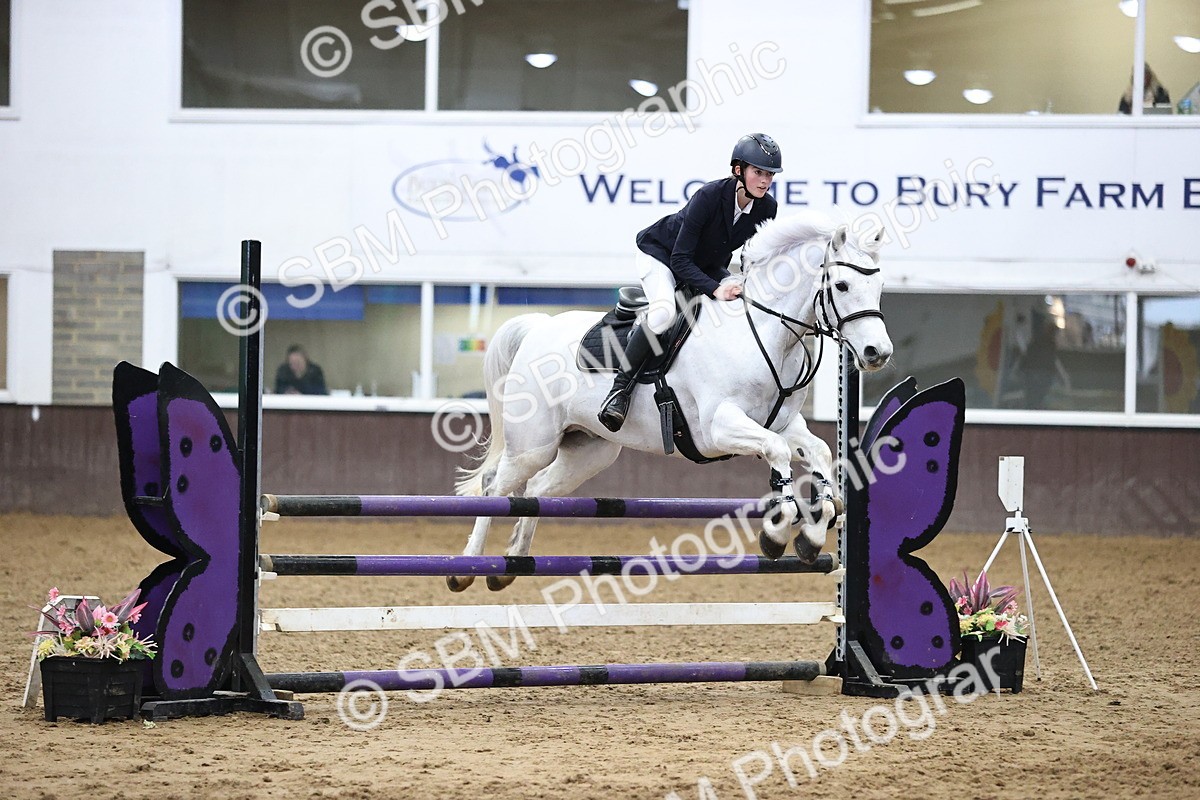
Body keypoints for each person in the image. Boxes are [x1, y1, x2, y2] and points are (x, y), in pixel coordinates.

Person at [597, 133, 781, 432]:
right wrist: (714, 287)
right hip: (661, 256)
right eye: (758, 172)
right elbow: (681, 260)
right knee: (663, 313)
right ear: (739, 170)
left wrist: (742, 283)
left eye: (769, 175)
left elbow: (749, 256)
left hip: (706, 264)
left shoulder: (767, 208)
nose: (764, 180)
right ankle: (619, 391)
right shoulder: (709, 196)